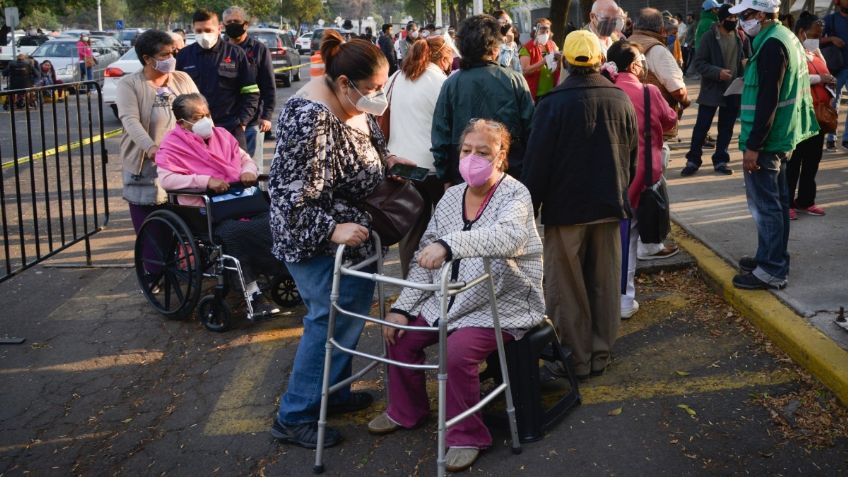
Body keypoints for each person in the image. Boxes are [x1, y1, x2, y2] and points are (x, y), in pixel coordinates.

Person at [367, 120, 544, 473]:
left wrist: (449, 245)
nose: (472, 158)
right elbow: (423, 256)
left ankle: (466, 435)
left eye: (483, 152)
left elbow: (508, 237)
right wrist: (403, 307)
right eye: (467, 151)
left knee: (457, 354)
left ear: (501, 157)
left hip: (500, 303)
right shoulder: (450, 197)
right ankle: (407, 411)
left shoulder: (515, 194)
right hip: (447, 299)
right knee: (398, 336)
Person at [268, 29, 411, 448]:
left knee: (346, 316)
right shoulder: (309, 118)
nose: (378, 96)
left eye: (383, 86)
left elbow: (363, 147)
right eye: (372, 89)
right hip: (316, 243)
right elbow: (289, 195)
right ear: (344, 83)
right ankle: (295, 415)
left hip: (352, 239)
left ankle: (335, 392)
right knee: (326, 321)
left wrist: (386, 161)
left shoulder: (352, 102)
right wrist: (331, 229)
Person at [522, 30, 638, 379]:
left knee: (566, 288)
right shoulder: (620, 99)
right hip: (610, 205)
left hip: (565, 211)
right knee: (604, 283)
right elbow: (630, 157)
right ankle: (601, 354)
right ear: (601, 61)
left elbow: (536, 164)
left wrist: (531, 209)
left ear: (566, 62)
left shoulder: (551, 103)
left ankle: (575, 359)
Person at [154, 93, 280, 316]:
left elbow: (244, 158)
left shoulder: (221, 135)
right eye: (198, 116)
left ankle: (280, 273)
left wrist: (249, 171)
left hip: (239, 199)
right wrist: (205, 181)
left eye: (207, 114)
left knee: (273, 221)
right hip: (206, 208)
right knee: (234, 233)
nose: (206, 120)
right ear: (183, 123)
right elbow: (168, 180)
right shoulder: (172, 145)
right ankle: (252, 293)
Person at [728, 0, 818, 290]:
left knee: (766, 207)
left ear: (763, 15)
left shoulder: (771, 46)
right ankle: (771, 257)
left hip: (767, 142)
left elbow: (768, 99)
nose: (741, 21)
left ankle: (772, 270)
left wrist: (754, 146)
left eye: (745, 15)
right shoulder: (783, 37)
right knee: (777, 205)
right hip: (781, 136)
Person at [116, 30, 200, 288]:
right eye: (164, 55)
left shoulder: (181, 79)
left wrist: (210, 138)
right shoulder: (130, 84)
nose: (171, 59)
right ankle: (154, 274)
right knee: (152, 228)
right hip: (147, 165)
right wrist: (152, 148)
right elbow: (130, 120)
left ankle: (181, 267)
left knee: (185, 220)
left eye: (173, 53)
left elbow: (200, 109)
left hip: (183, 164)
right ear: (147, 58)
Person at [601, 40, 677, 319]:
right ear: (634, 65)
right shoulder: (649, 92)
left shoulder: (604, 90)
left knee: (609, 240)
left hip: (607, 176)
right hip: (641, 176)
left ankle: (605, 297)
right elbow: (669, 121)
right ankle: (623, 300)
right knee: (628, 240)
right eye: (642, 63)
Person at [432, 14, 534, 183]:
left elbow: (441, 136)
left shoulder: (452, 84)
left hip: (464, 176)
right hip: (507, 172)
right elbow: (531, 130)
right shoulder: (514, 80)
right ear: (495, 47)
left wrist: (445, 176)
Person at [387, 36, 455, 277]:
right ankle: (442, 284)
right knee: (447, 230)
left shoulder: (395, 78)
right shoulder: (441, 81)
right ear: (444, 58)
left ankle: (410, 287)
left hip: (401, 168)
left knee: (411, 234)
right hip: (434, 169)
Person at [629, 8, 688, 260]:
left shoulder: (625, 44)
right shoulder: (657, 50)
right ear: (661, 29)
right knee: (651, 185)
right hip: (653, 126)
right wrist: (684, 103)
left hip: (625, 124)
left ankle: (634, 242)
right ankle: (649, 245)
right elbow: (677, 89)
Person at [176, 8, 260, 151]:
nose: (203, 35)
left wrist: (243, 122)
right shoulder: (184, 55)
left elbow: (250, 91)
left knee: (238, 170)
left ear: (219, 28)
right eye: (199, 31)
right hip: (195, 131)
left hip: (231, 128)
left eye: (208, 30)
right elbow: (177, 94)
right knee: (203, 173)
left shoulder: (235, 53)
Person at [682, 3, 747, 176]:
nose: (733, 21)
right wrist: (717, 73)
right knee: (702, 126)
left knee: (726, 128)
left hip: (733, 89)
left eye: (735, 17)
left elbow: (745, 58)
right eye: (730, 18)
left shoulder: (740, 36)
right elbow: (699, 63)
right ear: (721, 19)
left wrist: (745, 65)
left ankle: (721, 160)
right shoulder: (709, 37)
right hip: (712, 89)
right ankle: (693, 159)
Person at [787, 12, 832, 220]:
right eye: (816, 32)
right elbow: (796, 77)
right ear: (802, 32)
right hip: (801, 114)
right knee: (795, 160)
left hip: (819, 114)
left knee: (813, 160)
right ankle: (786, 203)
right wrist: (820, 78)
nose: (819, 36)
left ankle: (806, 200)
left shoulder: (816, 52)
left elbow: (825, 72)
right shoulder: (793, 51)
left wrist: (827, 79)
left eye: (821, 33)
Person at [223, 6, 275, 172]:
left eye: (236, 22)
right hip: (224, 121)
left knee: (252, 168)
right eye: (228, 22)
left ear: (245, 24)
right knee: (228, 167)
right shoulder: (219, 50)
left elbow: (268, 85)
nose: (232, 25)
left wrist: (266, 115)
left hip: (252, 122)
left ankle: (255, 198)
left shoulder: (259, 49)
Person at [822, 0, 848, 150]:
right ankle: (831, 137)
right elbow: (815, 39)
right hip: (836, 68)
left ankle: (846, 139)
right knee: (833, 103)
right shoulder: (830, 19)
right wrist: (831, 39)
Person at [519, 18, 562, 102]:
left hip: (552, 90)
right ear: (535, 31)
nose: (545, 34)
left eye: (547, 31)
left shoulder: (552, 44)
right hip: (535, 93)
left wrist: (560, 59)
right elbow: (525, 71)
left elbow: (558, 67)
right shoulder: (527, 48)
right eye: (542, 30)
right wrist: (543, 62)